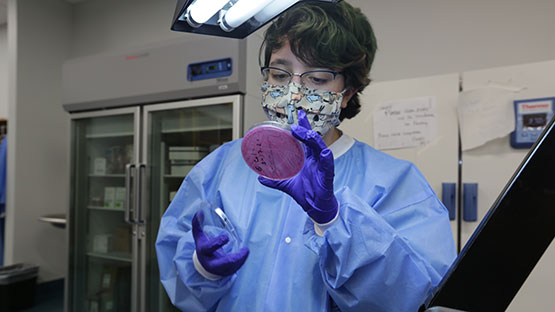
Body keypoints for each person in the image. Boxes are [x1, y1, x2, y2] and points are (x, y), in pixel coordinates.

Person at [156, 2, 456, 311]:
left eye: (317, 79)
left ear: (347, 92)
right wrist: (203, 268)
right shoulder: (221, 167)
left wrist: (334, 222)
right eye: (279, 74)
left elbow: (412, 298)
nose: (294, 94)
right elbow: (181, 280)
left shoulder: (395, 184)